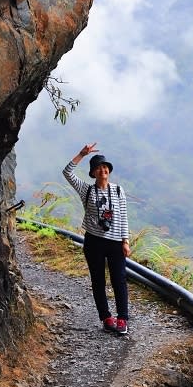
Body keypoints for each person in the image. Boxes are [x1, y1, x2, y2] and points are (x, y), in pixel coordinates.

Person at [63, 143, 131, 335]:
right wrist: (81, 154)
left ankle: (122, 318)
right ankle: (106, 317)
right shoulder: (87, 190)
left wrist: (126, 241)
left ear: (109, 170)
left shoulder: (118, 191)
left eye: (105, 167)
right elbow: (67, 172)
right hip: (94, 242)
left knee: (119, 279)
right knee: (98, 280)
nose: (103, 170)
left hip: (116, 241)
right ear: (93, 173)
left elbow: (124, 216)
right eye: (99, 168)